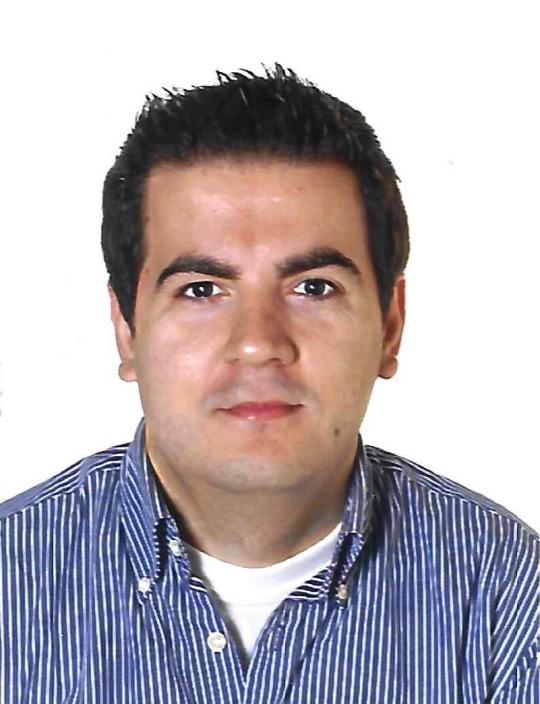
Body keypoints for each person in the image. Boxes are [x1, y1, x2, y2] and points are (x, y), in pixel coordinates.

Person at [0, 66, 538, 704]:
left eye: (313, 287)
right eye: (201, 290)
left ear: (390, 326)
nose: (258, 343)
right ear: (127, 329)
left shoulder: (507, 594)